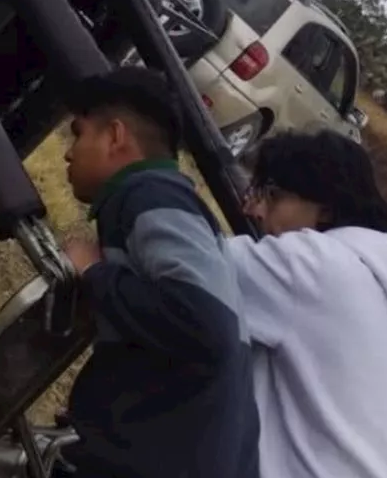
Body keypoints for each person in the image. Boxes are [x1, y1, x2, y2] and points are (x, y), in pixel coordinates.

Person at [58, 67, 259, 478]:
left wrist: (95, 272)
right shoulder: (160, 198)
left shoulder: (150, 194)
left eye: (78, 133)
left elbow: (205, 324)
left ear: (115, 136)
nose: (67, 151)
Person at [227, 130, 387, 478]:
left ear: (325, 209)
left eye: (272, 196)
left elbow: (190, 264)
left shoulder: (311, 265)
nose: (251, 208)